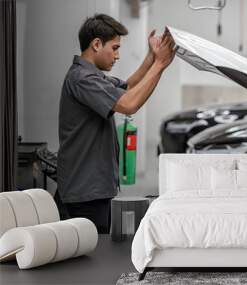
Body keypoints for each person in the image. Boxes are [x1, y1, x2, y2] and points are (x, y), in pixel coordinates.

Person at [57, 14, 175, 233]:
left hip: (93, 189)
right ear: (96, 44)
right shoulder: (82, 79)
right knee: (91, 258)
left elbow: (127, 89)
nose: (118, 55)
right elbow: (129, 103)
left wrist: (152, 58)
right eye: (115, 48)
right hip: (84, 193)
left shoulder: (93, 76)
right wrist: (160, 64)